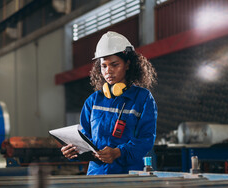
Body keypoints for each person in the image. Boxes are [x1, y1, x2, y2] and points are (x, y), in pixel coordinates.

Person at [61, 31, 158, 175]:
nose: (108, 71)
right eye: (104, 66)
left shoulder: (143, 98)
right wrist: (73, 151)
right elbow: (84, 138)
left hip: (129, 176)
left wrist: (118, 152)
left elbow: (146, 140)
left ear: (127, 64)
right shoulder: (93, 101)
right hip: (96, 175)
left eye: (114, 64)